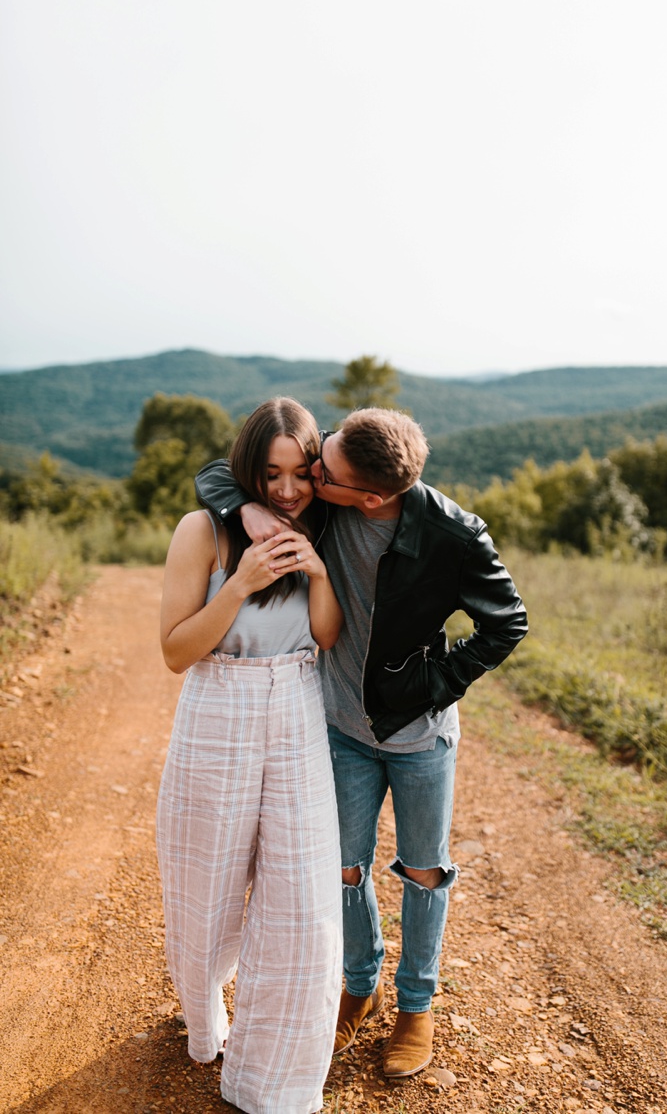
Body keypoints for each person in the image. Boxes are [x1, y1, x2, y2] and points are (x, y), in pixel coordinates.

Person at [196, 406, 528, 1079]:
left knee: (423, 870)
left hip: (421, 737)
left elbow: (507, 624)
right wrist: (247, 512)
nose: (311, 474)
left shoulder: (455, 535)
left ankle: (416, 1008)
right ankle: (359, 985)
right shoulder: (327, 499)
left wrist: (429, 683)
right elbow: (219, 473)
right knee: (343, 869)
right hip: (341, 728)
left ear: (369, 495)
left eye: (325, 470)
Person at [157, 396, 343, 1113]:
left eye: (301, 473)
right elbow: (175, 652)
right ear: (247, 471)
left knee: (302, 894)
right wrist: (239, 584)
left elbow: (324, 637)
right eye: (272, 475)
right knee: (204, 888)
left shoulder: (320, 520)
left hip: (297, 706)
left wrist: (319, 572)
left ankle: (274, 1080)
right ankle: (204, 1025)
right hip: (217, 705)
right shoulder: (202, 530)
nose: (289, 490)